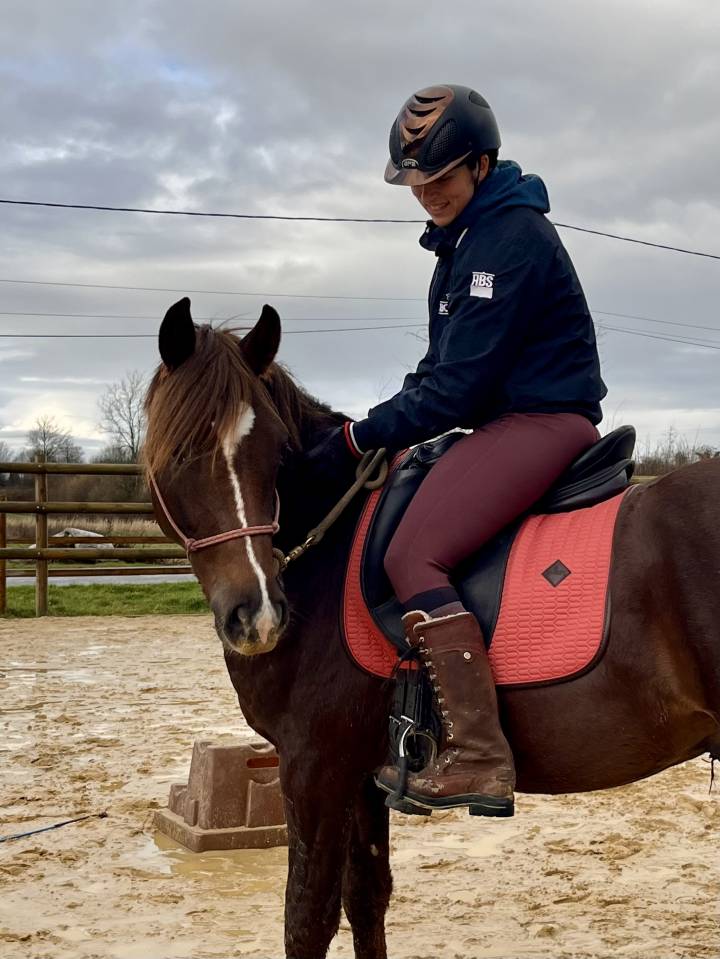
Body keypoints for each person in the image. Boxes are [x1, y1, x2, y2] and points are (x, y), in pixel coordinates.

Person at [306, 84, 607, 817]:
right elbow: (438, 371)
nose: (426, 194)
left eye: (440, 179)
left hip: (541, 421)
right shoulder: (465, 241)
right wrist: (382, 429)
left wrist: (355, 435)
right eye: (415, 182)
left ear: (481, 164)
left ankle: (477, 749)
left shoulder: (507, 241)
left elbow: (458, 391)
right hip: (504, 420)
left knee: (414, 555)